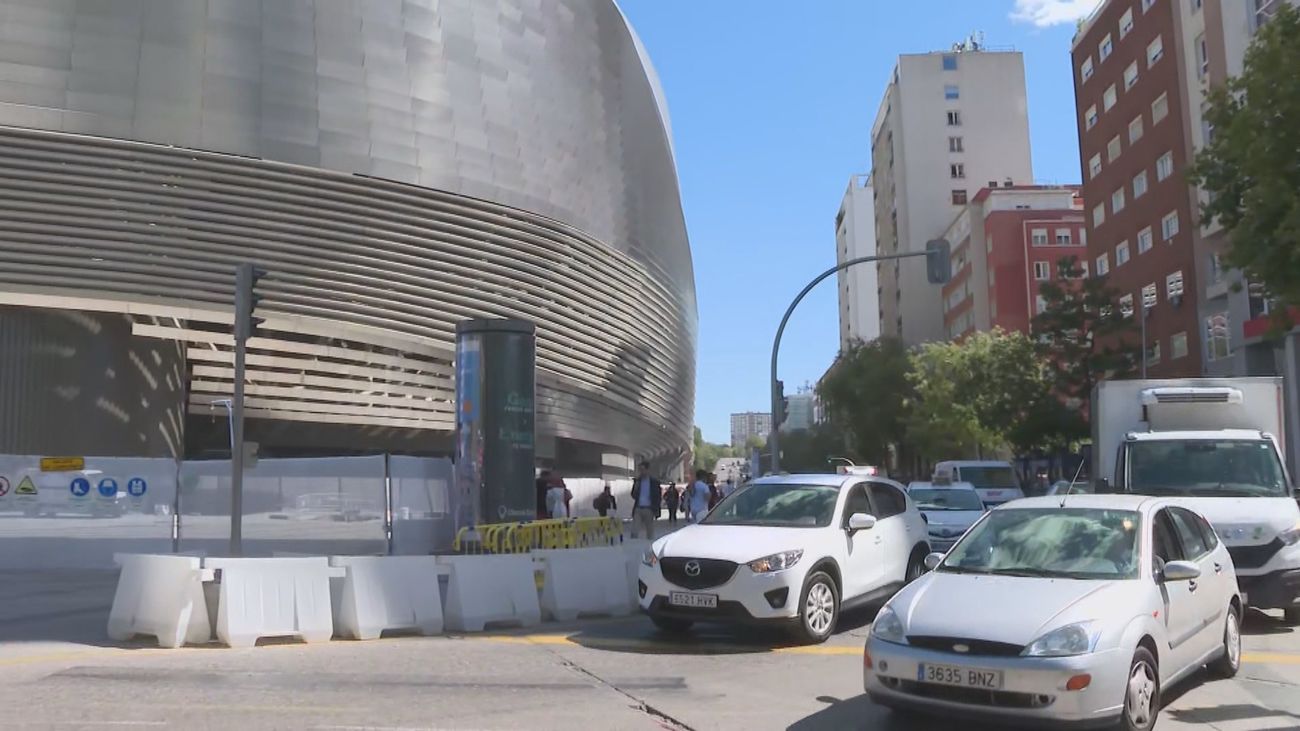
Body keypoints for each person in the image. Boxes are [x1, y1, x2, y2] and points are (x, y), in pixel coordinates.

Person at [630, 460, 662, 540]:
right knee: (634, 529)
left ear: (648, 470)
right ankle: (633, 546)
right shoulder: (638, 481)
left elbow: (658, 497)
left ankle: (650, 546)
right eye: (640, 470)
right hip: (638, 508)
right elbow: (633, 495)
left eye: (643, 469)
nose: (641, 472)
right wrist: (636, 487)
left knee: (649, 530)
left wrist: (657, 510)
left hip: (649, 509)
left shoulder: (654, 482)